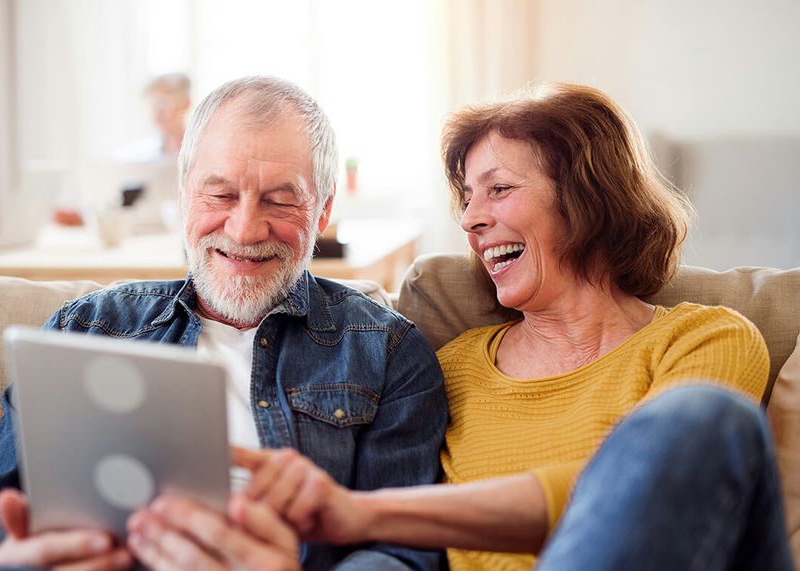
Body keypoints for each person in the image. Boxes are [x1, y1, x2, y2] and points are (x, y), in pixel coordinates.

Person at [226, 82, 795, 570]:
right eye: (468, 198)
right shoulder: (445, 367)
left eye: (499, 189)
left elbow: (641, 495)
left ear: (589, 200)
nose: (471, 219)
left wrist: (358, 513)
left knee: (703, 415)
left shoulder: (707, 339)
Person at [0, 76, 447, 570]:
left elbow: (404, 553)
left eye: (280, 200)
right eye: (219, 195)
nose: (243, 229)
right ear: (182, 193)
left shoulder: (387, 351)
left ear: (324, 209)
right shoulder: (91, 329)